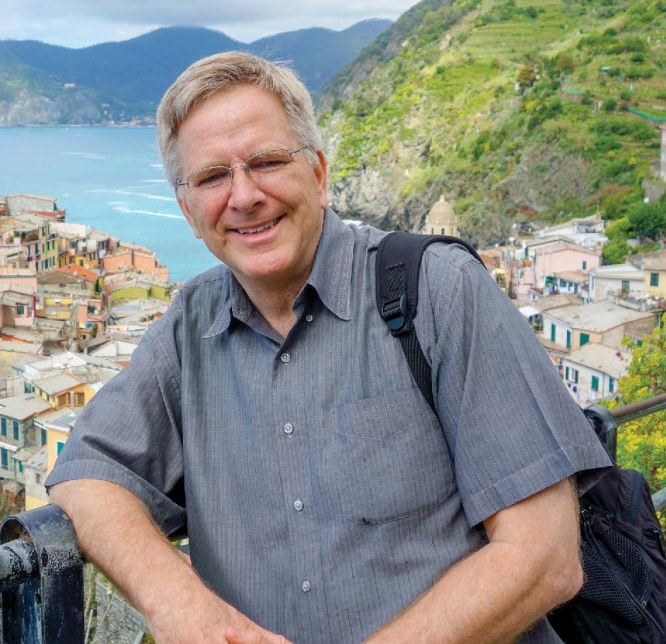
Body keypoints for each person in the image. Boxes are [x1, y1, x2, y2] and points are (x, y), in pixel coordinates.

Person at [47, 51, 612, 644]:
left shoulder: (439, 291)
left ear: (318, 173)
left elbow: (545, 557)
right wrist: (183, 607)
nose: (243, 196)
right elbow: (87, 473)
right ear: (189, 212)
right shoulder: (190, 326)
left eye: (265, 162)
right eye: (212, 177)